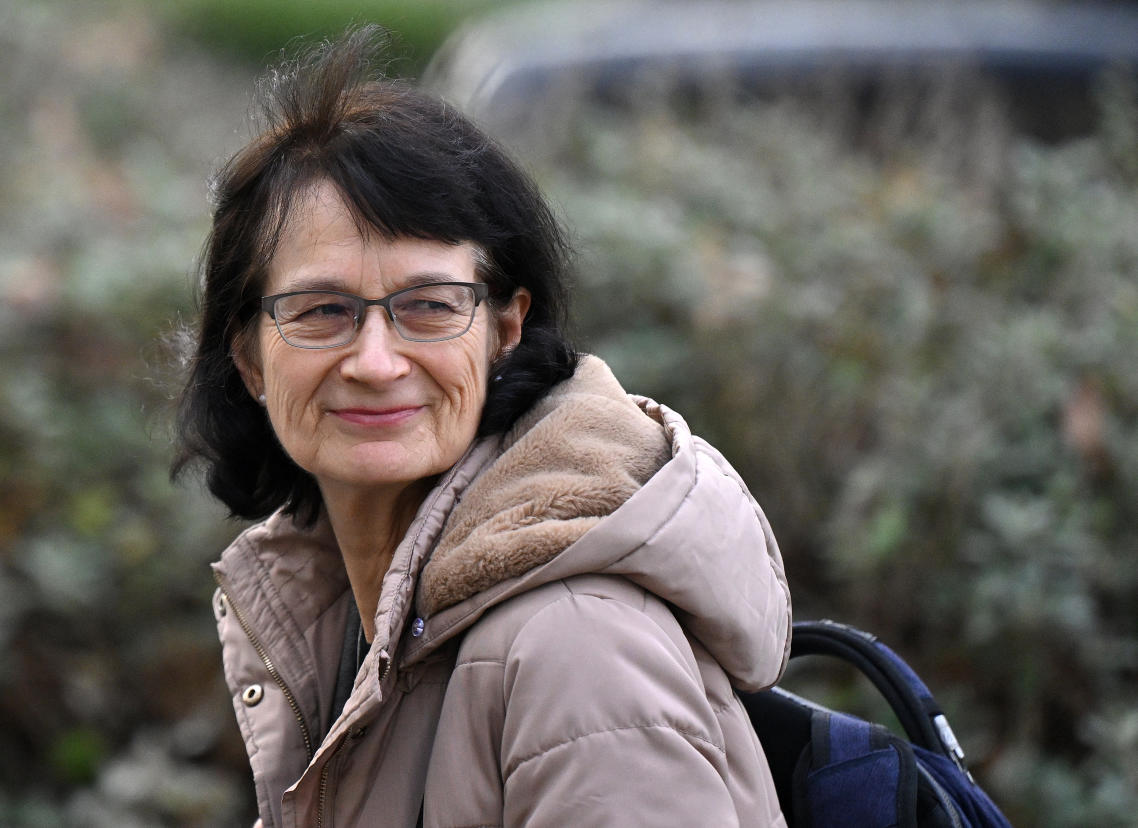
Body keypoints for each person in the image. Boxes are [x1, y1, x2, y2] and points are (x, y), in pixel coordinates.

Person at [174, 25, 792, 828]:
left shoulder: (574, 648)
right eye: (322, 311)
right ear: (249, 358)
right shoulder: (341, 629)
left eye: (428, 307)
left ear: (504, 329)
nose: (375, 360)